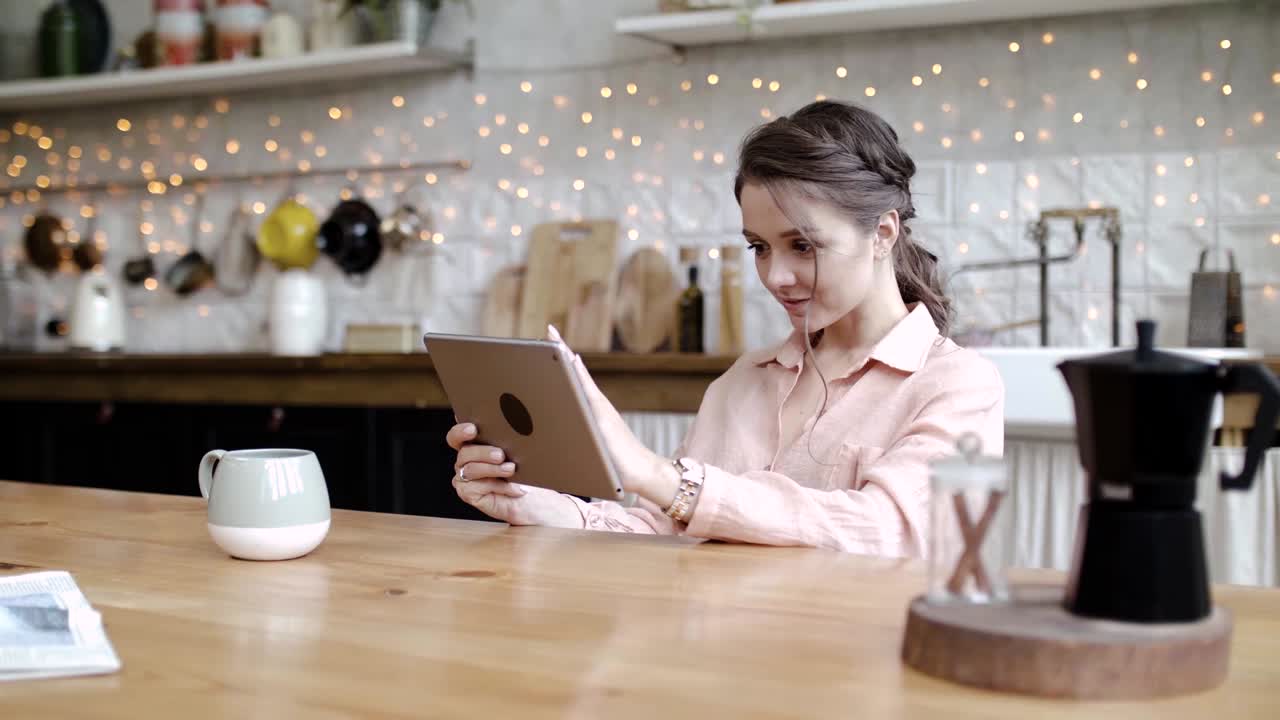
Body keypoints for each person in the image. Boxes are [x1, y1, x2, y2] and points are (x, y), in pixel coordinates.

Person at [444, 100, 1004, 558]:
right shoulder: (744, 381)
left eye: (802, 246)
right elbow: (666, 533)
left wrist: (661, 476)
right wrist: (541, 507)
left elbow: (889, 533)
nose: (776, 276)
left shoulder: (957, 386)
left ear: (882, 234)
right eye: (759, 247)